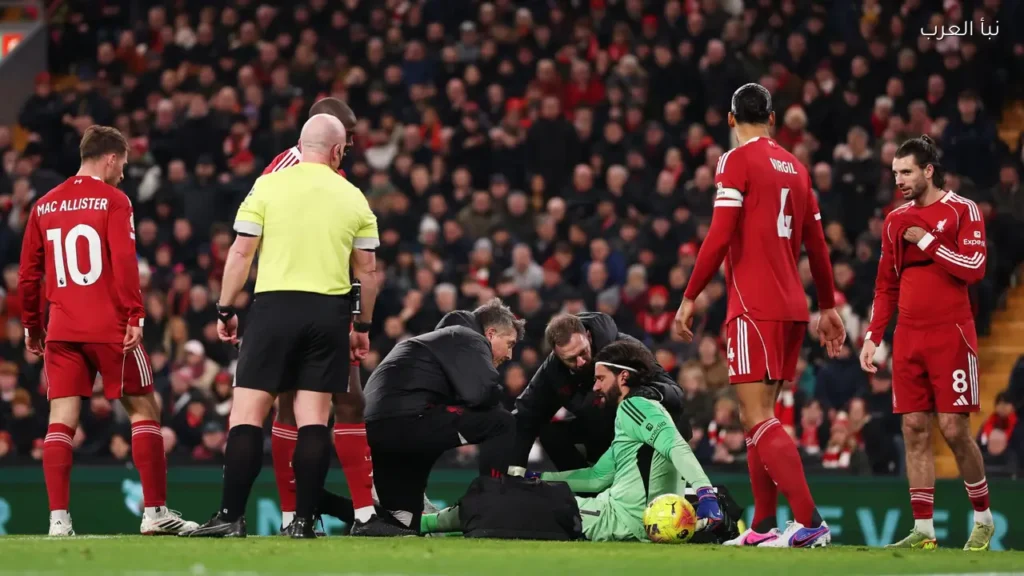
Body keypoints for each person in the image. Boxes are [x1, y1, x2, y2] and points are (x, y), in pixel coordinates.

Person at [185, 113, 379, 538]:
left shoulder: (268, 185)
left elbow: (240, 253)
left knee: (247, 415)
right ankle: (303, 522)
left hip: (274, 308)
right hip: (328, 313)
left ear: (301, 145)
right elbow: (367, 271)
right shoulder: (353, 196)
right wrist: (362, 326)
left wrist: (225, 309)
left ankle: (230, 516)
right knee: (313, 420)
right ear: (336, 151)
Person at [672, 83, 846, 548]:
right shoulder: (798, 169)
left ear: (731, 119)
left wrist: (690, 295)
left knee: (756, 415)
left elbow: (720, 232)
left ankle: (810, 521)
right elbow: (818, 246)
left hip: (754, 306)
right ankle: (765, 525)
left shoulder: (735, 161)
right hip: (793, 309)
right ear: (772, 118)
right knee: (758, 417)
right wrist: (827, 306)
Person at [17, 125, 199, 537]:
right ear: (111, 158)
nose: (123, 173)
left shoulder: (43, 205)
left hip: (62, 328)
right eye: (123, 165)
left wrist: (32, 326)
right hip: (110, 327)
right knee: (144, 409)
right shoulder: (114, 200)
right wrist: (136, 314)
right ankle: (155, 513)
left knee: (61, 420)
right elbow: (124, 258)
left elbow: (28, 275)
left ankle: (58, 521)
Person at [421, 340, 722, 542]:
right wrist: (537, 477)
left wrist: (705, 493)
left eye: (601, 378)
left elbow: (676, 447)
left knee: (497, 496)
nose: (596, 387)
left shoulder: (636, 406)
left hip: (614, 520)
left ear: (623, 378)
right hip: (613, 514)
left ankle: (424, 523)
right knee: (513, 493)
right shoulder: (635, 415)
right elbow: (597, 477)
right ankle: (429, 522)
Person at [859, 135, 994, 551]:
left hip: (951, 334)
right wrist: (873, 336)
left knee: (954, 428)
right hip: (909, 337)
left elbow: (974, 268)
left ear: (929, 171)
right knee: (914, 428)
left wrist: (928, 241)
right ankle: (923, 529)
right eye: (895, 172)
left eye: (907, 172)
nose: (899, 180)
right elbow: (886, 286)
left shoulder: (962, 210)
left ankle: (983, 518)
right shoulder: (894, 221)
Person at [262, 97, 378, 532]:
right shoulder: (285, 169)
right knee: (293, 406)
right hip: (294, 298)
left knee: (347, 400)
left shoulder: (336, 180)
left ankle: (362, 513)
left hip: (330, 300)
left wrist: (355, 314)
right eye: (347, 137)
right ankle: (295, 513)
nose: (350, 146)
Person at [360, 299, 523, 536]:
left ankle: (332, 508)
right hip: (408, 419)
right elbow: (481, 393)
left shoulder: (441, 341)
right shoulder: (469, 337)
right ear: (490, 334)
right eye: (509, 344)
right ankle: (491, 511)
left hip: (377, 429)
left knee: (403, 522)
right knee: (502, 422)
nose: (509, 354)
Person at [510, 312, 690, 471]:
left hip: (637, 427)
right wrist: (513, 472)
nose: (580, 362)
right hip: (596, 429)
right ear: (557, 355)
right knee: (549, 432)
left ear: (588, 336)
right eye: (571, 359)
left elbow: (675, 393)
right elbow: (526, 415)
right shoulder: (553, 371)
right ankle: (586, 493)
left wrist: (644, 393)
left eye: (583, 352)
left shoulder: (627, 349)